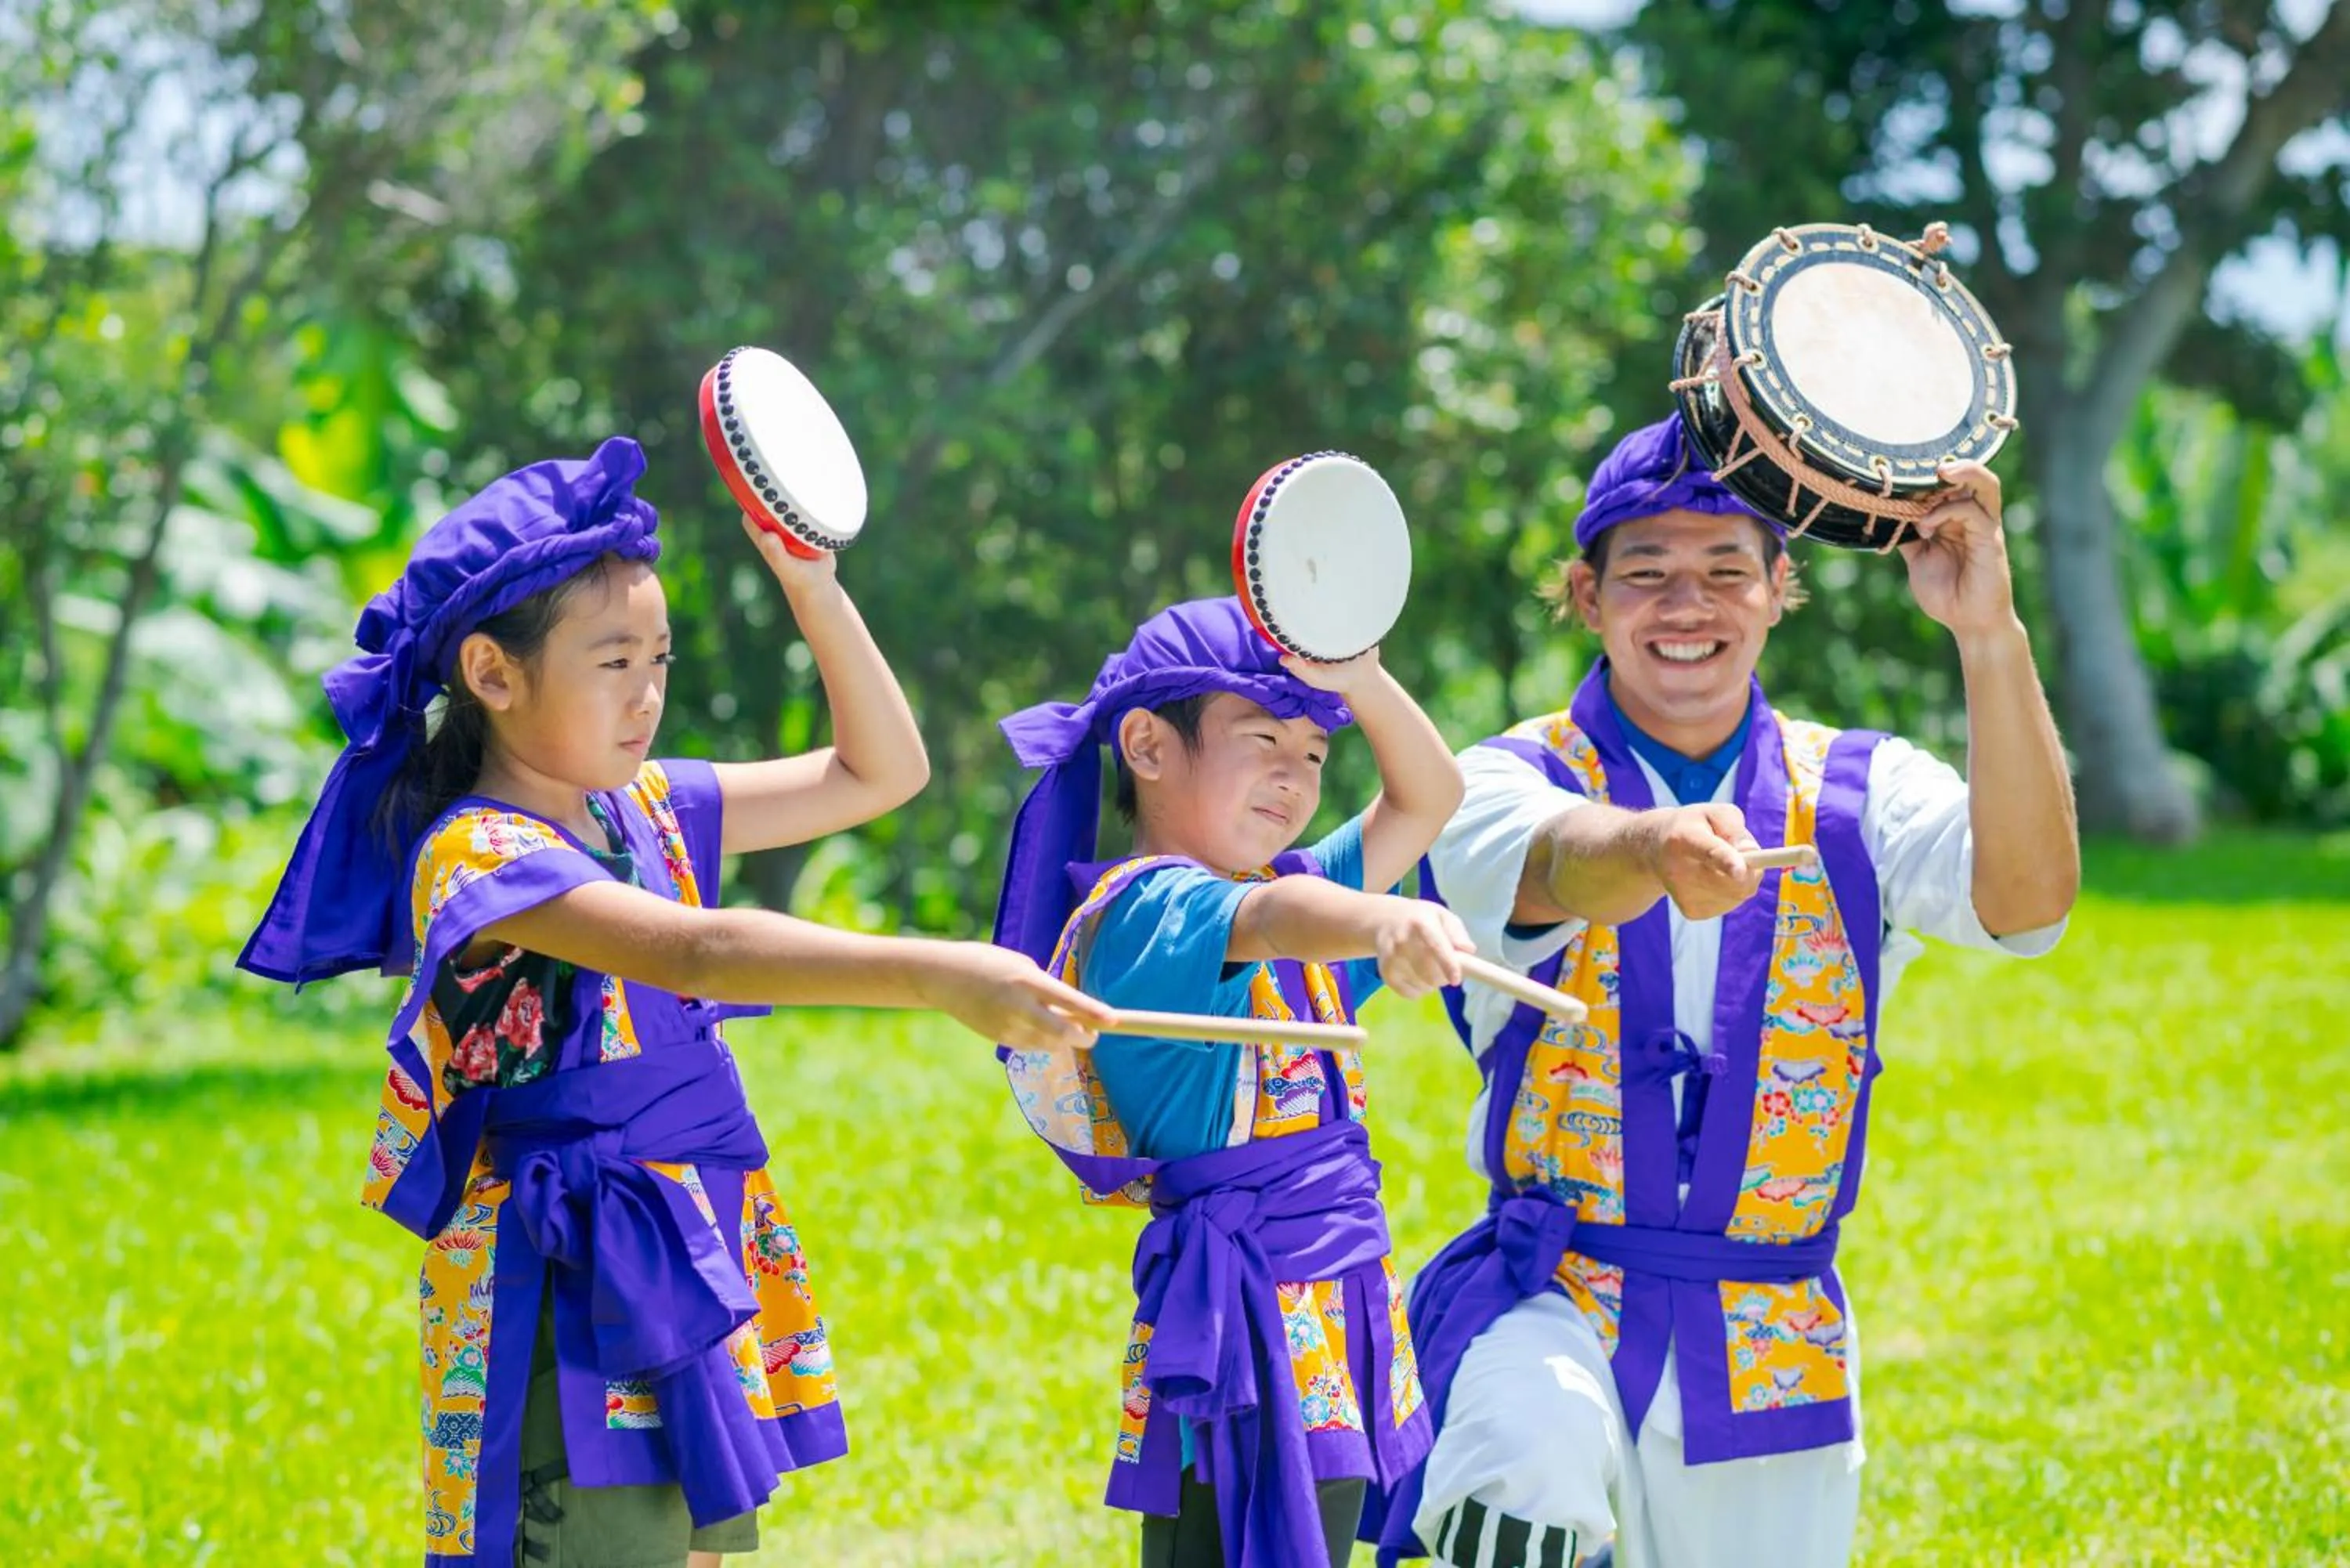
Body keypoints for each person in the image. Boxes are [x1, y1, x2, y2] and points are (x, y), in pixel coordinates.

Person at [237, 436, 1109, 1568]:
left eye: (660, 657)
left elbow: (881, 772)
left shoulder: (640, 804)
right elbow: (697, 951)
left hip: (684, 1250)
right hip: (561, 1281)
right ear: (492, 673)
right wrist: (933, 971)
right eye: (614, 661)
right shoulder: (476, 853)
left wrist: (813, 585)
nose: (648, 693)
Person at [1366, 414, 2079, 1568]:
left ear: (1780, 589)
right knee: (1519, 1469)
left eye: (1726, 571)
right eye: (1646, 573)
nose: (1686, 605)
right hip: (1553, 1295)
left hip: (1770, 1337)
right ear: (1588, 596)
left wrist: (1988, 631)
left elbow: (2030, 904)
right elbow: (1560, 863)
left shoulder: (1862, 791)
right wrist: (1654, 849)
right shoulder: (1500, 777)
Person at [991, 595, 1470, 1568]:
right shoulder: (1144, 911)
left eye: (1315, 752)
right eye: (1263, 739)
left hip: (1334, 1318)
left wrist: (1364, 679)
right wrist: (1381, 921)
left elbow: (1429, 798)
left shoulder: (1290, 894)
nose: (1296, 776)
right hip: (1238, 1331)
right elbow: (1275, 919)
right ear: (1147, 745)